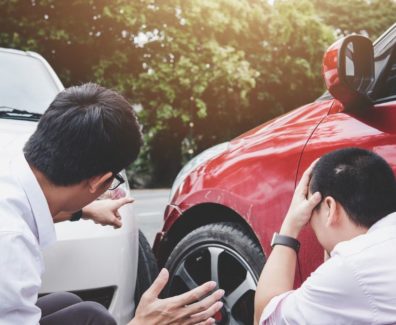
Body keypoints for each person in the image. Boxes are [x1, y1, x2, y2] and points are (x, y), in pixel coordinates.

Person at [0, 83, 224, 325]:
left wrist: (84, 211)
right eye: (113, 180)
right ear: (99, 181)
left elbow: (29, 211)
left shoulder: (12, 169)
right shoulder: (12, 244)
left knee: (74, 307)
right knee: (94, 319)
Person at [254, 147, 396, 324]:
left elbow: (265, 318)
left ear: (330, 208)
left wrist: (290, 226)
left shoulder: (351, 266)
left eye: (311, 216)